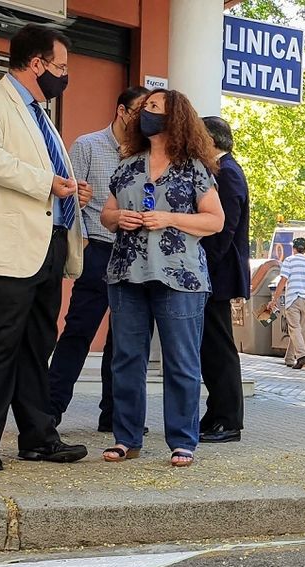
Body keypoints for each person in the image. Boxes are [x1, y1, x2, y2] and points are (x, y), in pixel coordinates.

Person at [0, 24, 89, 472]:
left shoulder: (40, 113)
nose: (64, 76)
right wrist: (48, 182)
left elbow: (44, 175)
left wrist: (70, 190)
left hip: (49, 244)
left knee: (36, 344)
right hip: (9, 246)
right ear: (37, 63)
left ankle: (38, 438)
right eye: (61, 67)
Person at [98, 89, 225, 467]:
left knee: (181, 361)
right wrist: (117, 219)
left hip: (180, 279)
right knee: (126, 360)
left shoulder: (194, 168)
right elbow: (107, 213)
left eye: (154, 108)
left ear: (176, 119)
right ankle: (126, 438)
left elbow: (214, 221)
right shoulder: (127, 163)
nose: (145, 113)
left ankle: (183, 441)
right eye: (144, 108)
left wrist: (169, 218)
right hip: (126, 273)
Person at [49, 86, 149, 432]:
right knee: (78, 332)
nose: (145, 117)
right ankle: (49, 413)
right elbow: (68, 198)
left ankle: (115, 417)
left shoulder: (146, 153)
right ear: (122, 110)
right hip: (98, 250)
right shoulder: (87, 146)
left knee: (124, 340)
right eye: (140, 110)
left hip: (134, 256)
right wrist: (84, 244)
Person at [197, 116, 252, 444]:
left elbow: (223, 230)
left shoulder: (227, 173)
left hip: (217, 276)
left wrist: (201, 265)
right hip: (214, 275)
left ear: (211, 141)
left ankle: (228, 419)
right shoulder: (223, 170)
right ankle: (216, 412)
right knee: (211, 348)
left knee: (219, 349)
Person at [268, 237, 305, 369]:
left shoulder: (289, 261)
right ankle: (289, 358)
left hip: (293, 299)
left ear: (294, 248)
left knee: (294, 329)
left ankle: (302, 355)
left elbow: (283, 281)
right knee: (298, 330)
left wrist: (274, 299)